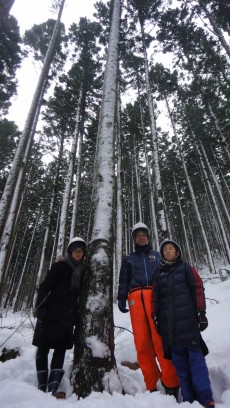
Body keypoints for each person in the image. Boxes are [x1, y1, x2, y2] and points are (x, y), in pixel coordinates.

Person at [117, 222, 180, 398]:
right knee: (142, 343)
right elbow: (123, 279)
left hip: (155, 297)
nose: (141, 237)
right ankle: (152, 385)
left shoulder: (157, 256)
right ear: (134, 240)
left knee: (161, 341)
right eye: (137, 236)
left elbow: (167, 275)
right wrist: (122, 297)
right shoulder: (129, 259)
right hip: (135, 298)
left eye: (143, 234)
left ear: (148, 237)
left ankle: (171, 383)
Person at [153, 239, 215, 408]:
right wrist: (156, 318)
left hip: (188, 325)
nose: (167, 251)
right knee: (181, 369)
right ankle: (189, 402)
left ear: (177, 252)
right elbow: (156, 299)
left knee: (197, 365)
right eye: (164, 249)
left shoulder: (186, 268)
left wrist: (201, 313)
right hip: (170, 330)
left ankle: (206, 400)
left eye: (170, 248)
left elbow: (198, 288)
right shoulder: (159, 274)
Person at [32, 236, 87, 398]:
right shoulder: (59, 266)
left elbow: (79, 297)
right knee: (43, 348)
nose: (78, 253)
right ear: (70, 252)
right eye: (76, 250)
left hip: (67, 316)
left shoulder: (83, 271)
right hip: (50, 312)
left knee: (60, 350)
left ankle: (53, 387)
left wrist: (76, 316)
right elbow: (45, 286)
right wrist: (40, 307)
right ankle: (42, 385)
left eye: (81, 251)